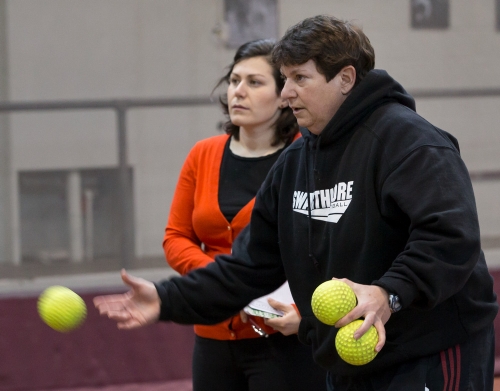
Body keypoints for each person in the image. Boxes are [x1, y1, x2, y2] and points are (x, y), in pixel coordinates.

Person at [94, 15, 499, 391]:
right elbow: (248, 266)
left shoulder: (408, 142)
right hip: (346, 359)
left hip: (430, 351)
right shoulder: (295, 164)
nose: (286, 94)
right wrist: (167, 299)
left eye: (300, 78)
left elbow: (451, 239)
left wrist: (387, 293)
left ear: (345, 78)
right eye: (284, 79)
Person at [165, 39, 327, 391]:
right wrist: (226, 286)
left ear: (283, 94)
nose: (239, 91)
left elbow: (325, 245)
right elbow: (175, 238)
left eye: (254, 82)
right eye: (234, 81)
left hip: (286, 334)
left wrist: (306, 314)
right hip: (213, 334)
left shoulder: (308, 156)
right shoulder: (202, 154)